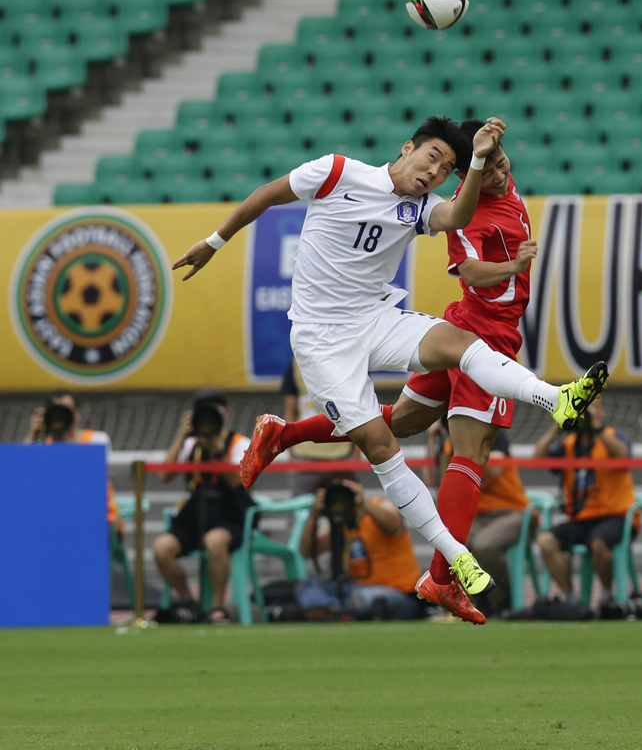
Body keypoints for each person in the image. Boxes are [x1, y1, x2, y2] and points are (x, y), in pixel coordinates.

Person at [172, 115, 606, 610]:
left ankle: (556, 398)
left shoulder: (425, 206)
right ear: (406, 148)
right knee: (384, 443)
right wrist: (214, 242)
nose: (434, 172)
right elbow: (267, 195)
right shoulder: (337, 171)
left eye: (445, 168)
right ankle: (451, 560)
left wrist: (479, 159)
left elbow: (455, 216)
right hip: (322, 341)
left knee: (456, 347)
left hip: (375, 318)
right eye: (431, 158)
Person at [152, 389, 253, 624]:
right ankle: (190, 602)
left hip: (231, 514)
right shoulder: (190, 445)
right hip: (196, 513)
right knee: (161, 547)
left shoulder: (240, 443)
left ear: (225, 414)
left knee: (214, 541)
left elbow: (238, 482)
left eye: (213, 412)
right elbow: (164, 476)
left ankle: (217, 606)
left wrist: (217, 448)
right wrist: (182, 434)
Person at [534, 396, 636, 603]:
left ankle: (607, 595)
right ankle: (570, 597)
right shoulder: (570, 444)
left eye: (593, 408)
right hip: (581, 517)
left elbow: (623, 458)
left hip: (615, 516)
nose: (587, 413)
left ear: (602, 412)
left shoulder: (615, 437)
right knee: (546, 541)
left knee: (598, 542)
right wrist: (558, 425)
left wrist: (597, 429)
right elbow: (537, 459)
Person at [426, 424, 530, 617]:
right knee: (451, 542)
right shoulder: (448, 445)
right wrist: (432, 441)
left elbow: (495, 469)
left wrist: (465, 444)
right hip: (478, 516)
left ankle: (503, 599)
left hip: (511, 511)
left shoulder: (490, 430)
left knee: (484, 545)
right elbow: (432, 481)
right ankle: (470, 601)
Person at [296, 478, 425, 621]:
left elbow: (394, 525)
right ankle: (336, 611)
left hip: (397, 592)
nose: (340, 499)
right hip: (355, 590)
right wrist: (315, 514)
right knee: (309, 587)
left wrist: (363, 501)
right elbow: (306, 551)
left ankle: (334, 612)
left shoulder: (379, 505)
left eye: (344, 493)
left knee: (364, 599)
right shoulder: (339, 524)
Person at [24, 390, 121, 541]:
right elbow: (21, 474)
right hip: (52, 521)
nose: (61, 416)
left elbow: (85, 483)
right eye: (56, 412)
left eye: (67, 410)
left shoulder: (96, 440)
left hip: (96, 520)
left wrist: (63, 439)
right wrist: (33, 434)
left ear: (78, 413)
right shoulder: (42, 445)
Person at [280, 357, 360, 497]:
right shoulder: (295, 365)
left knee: (345, 507)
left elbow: (361, 411)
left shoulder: (351, 361)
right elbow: (290, 411)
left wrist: (357, 453)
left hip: (341, 455)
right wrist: (291, 450)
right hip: (303, 456)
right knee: (301, 509)